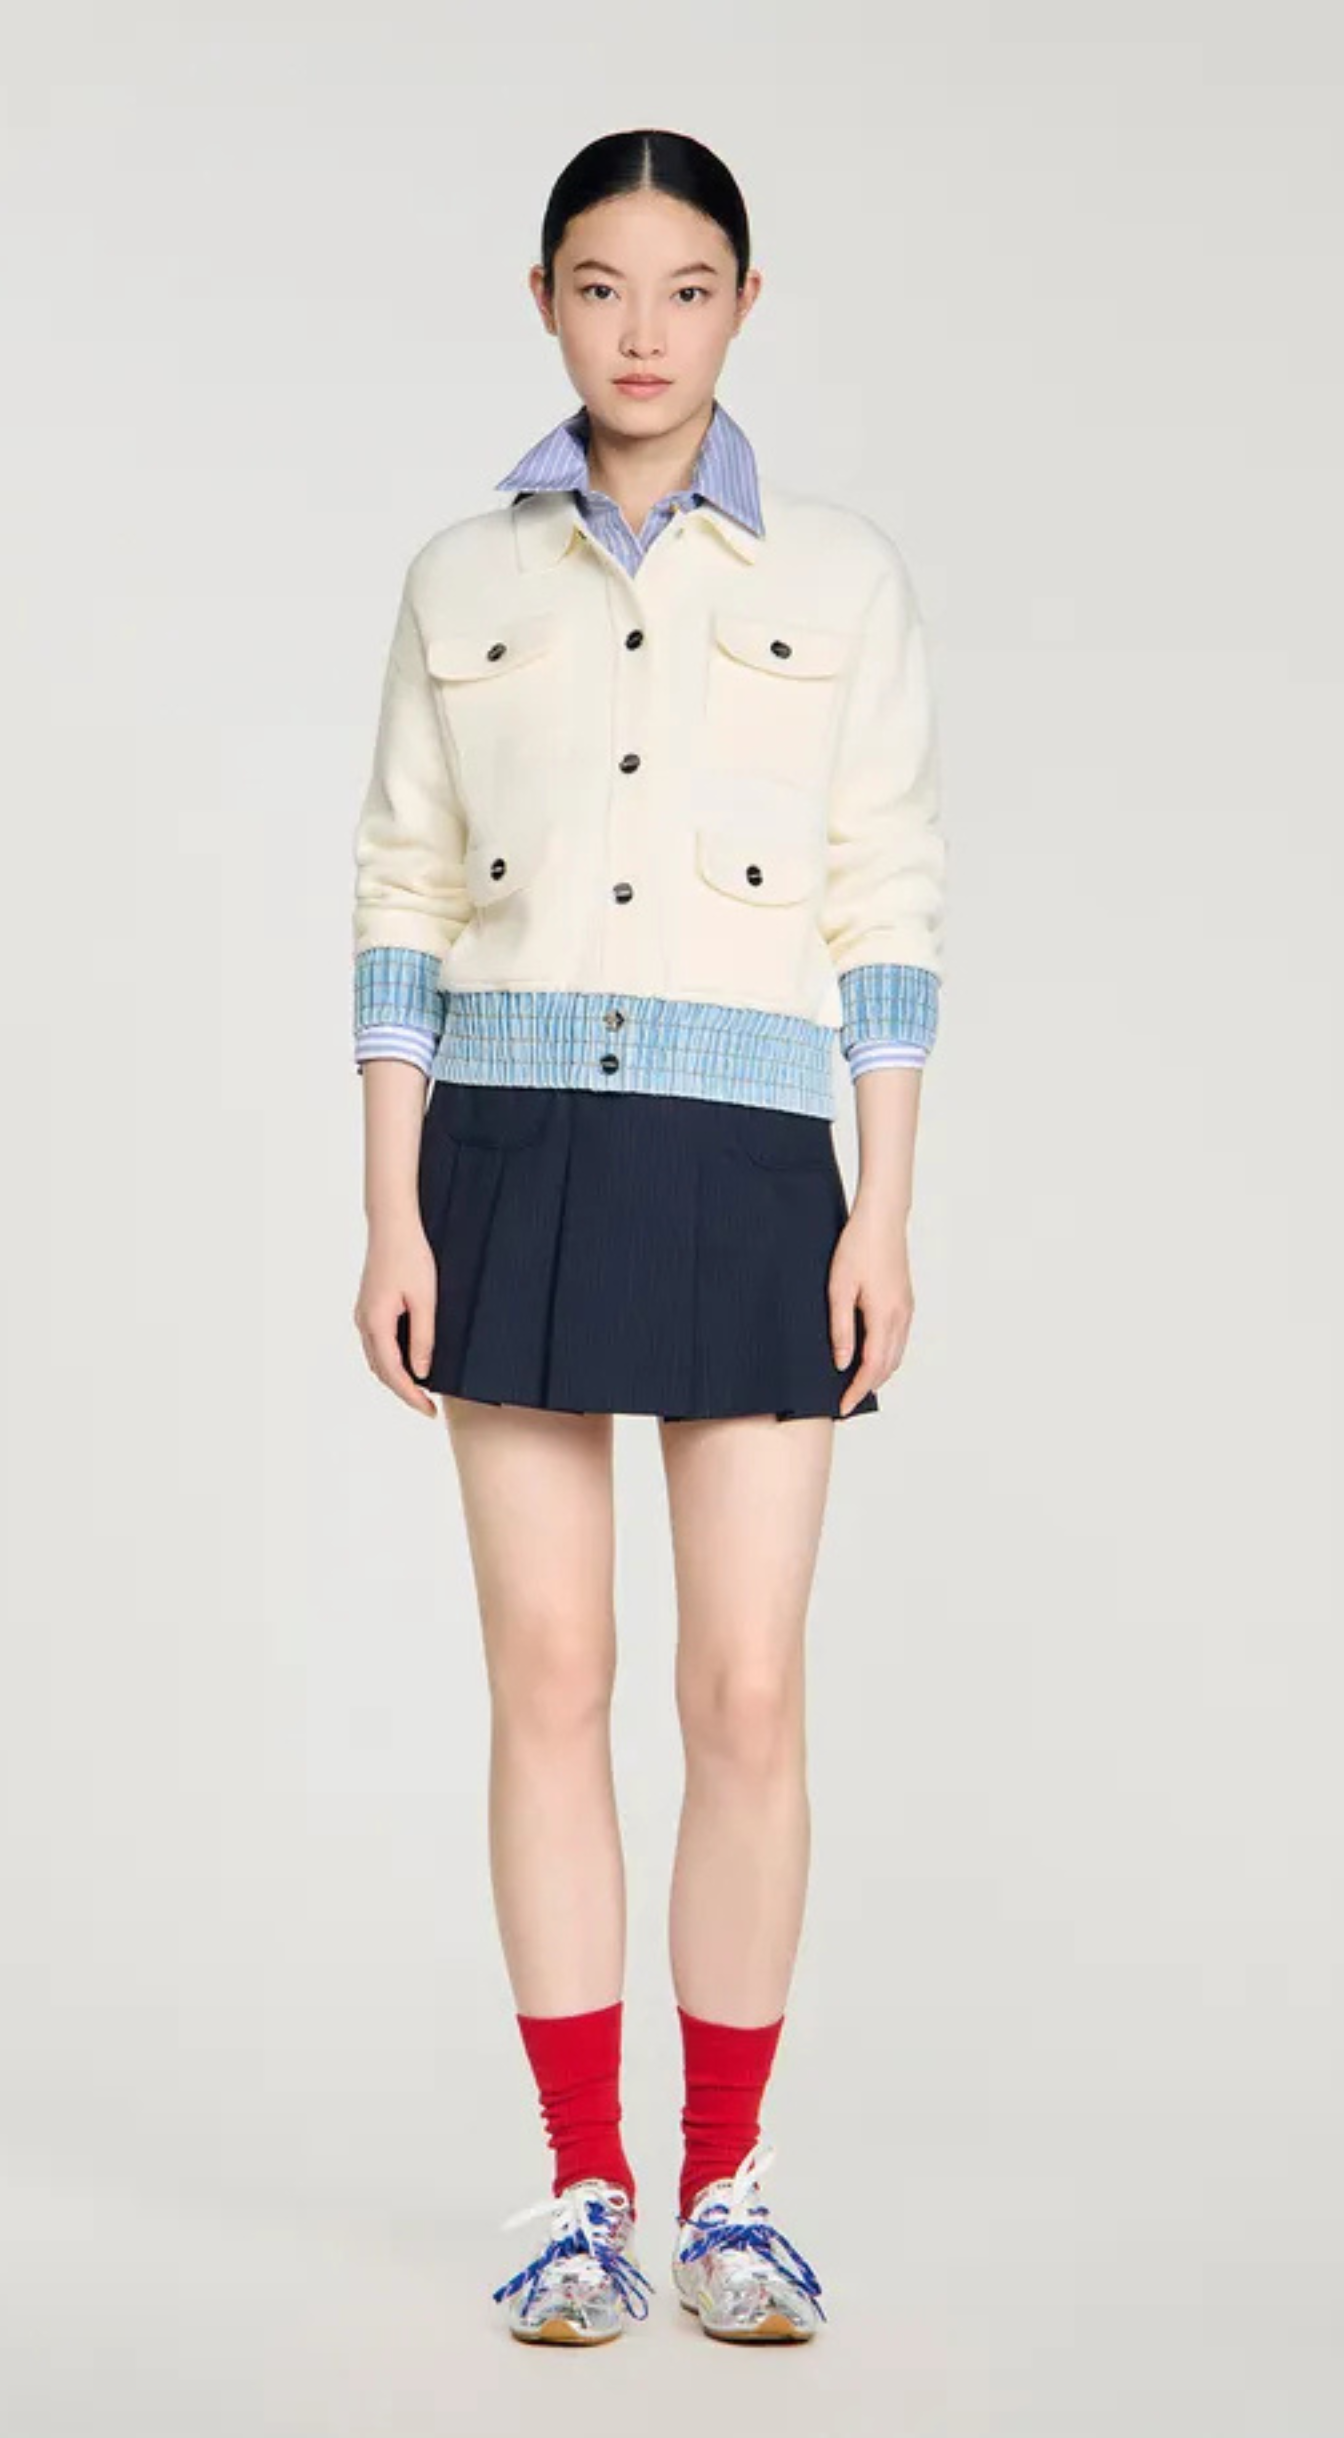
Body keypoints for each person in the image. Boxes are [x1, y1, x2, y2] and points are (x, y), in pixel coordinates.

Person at [350, 127, 948, 2346]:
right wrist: (392, 1204)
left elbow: (887, 898)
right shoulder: (459, 577)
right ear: (544, 300)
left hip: (754, 1158)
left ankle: (731, 2187)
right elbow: (402, 890)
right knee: (551, 1675)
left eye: (687, 290)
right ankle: (582, 2186)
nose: (642, 333)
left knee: (748, 1686)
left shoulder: (843, 578)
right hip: (506, 1147)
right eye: (601, 287)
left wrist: (885, 1207)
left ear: (744, 307)